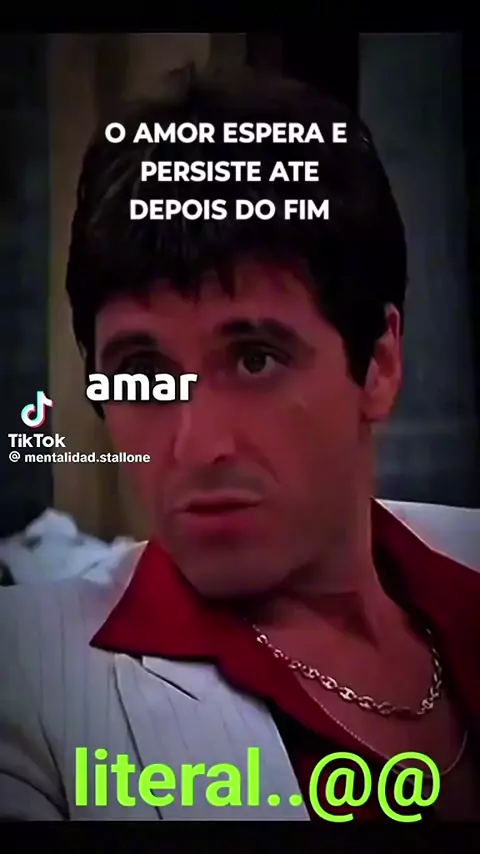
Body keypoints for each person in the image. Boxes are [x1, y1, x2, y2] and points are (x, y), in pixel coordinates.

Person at [0, 66, 479, 822]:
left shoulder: (462, 577)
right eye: (143, 373)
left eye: (255, 359)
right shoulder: (28, 679)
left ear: (380, 364)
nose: (197, 445)